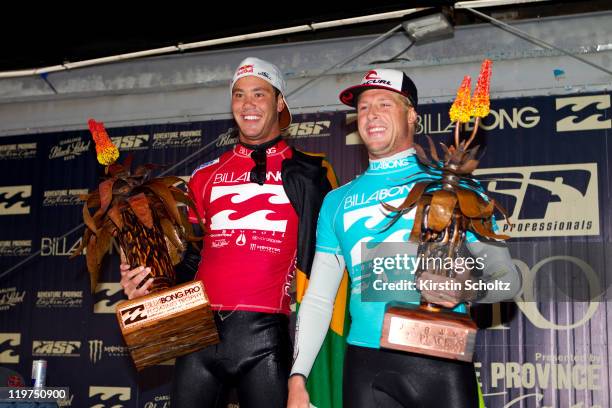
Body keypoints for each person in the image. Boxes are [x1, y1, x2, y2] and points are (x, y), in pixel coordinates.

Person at [288, 68, 522, 408]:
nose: (372, 115)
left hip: (440, 363)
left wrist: (466, 289)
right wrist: (298, 377)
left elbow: (510, 281)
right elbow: (320, 298)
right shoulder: (337, 201)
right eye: (364, 107)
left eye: (385, 104)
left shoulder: (455, 186)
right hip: (365, 367)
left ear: (411, 115)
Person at [120, 56, 336, 408]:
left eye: (259, 94)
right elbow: (190, 258)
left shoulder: (309, 173)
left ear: (279, 102)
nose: (247, 104)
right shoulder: (205, 175)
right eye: (239, 95)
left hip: (265, 336)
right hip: (199, 334)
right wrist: (149, 283)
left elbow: (322, 263)